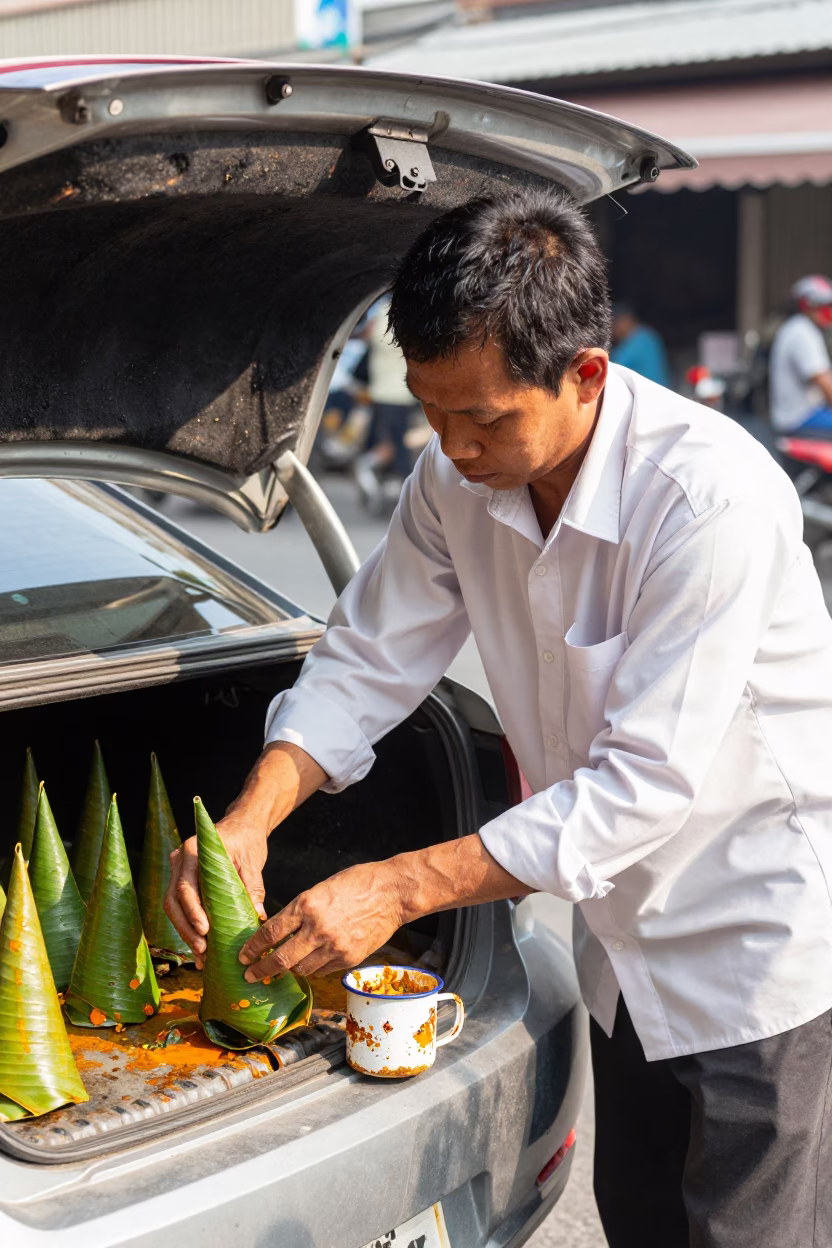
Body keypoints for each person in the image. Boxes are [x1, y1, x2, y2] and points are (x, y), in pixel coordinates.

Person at [166, 189, 832, 1247]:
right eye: (431, 413)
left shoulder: (708, 503)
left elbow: (638, 789)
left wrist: (396, 885)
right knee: (644, 1223)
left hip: (752, 944)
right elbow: (367, 657)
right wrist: (251, 817)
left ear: (585, 377)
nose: (453, 447)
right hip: (622, 944)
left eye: (483, 418)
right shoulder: (451, 481)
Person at [353, 297, 418, 513]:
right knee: (395, 444)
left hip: (389, 393)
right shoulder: (408, 311)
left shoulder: (385, 311)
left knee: (389, 445)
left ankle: (370, 472)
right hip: (396, 392)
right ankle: (391, 487)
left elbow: (369, 336)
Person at [769, 274, 832, 432]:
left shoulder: (798, 328)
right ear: (806, 305)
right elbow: (824, 382)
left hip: (803, 415)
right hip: (799, 419)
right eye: (822, 305)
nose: (827, 311)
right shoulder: (801, 331)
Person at [609, 301, 670, 387]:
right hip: (661, 390)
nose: (614, 329)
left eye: (616, 323)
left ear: (627, 319)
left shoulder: (637, 339)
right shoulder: (648, 333)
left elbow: (612, 368)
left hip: (649, 394)